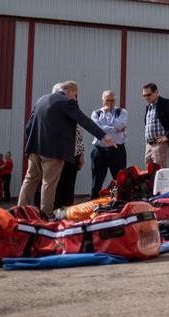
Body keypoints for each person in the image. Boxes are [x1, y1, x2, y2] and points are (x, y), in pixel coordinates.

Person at [19, 80, 114, 216]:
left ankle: (19, 211)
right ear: (70, 91)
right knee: (49, 183)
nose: (75, 99)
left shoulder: (41, 100)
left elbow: (29, 127)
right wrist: (103, 136)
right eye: (75, 95)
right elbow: (84, 120)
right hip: (54, 152)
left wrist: (33, 144)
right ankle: (46, 215)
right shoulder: (66, 102)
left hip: (35, 148)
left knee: (30, 180)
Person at [90, 90, 128, 195]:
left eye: (112, 100)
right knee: (96, 183)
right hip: (100, 151)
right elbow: (98, 130)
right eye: (107, 101)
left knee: (120, 182)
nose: (110, 103)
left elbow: (120, 126)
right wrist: (115, 128)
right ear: (102, 100)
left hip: (117, 151)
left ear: (115, 100)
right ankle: (93, 204)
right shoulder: (96, 114)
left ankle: (120, 204)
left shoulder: (122, 112)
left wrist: (109, 116)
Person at [141, 82, 169, 169]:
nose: (146, 98)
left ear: (156, 92)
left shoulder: (165, 103)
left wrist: (168, 136)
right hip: (149, 145)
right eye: (144, 95)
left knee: (161, 174)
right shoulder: (149, 106)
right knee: (149, 175)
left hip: (160, 145)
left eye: (148, 95)